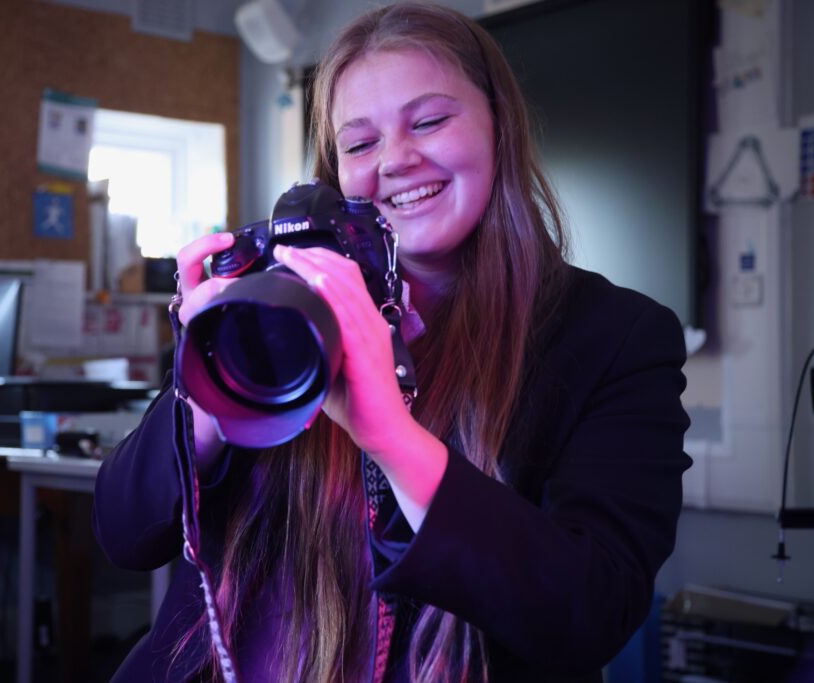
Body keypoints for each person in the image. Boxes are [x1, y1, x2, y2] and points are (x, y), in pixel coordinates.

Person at [93, 3, 691, 681]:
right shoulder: (281, 305)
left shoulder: (615, 336)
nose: (397, 161)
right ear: (335, 172)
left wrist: (391, 434)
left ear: (501, 126)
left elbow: (588, 613)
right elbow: (123, 532)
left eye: (430, 121)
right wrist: (211, 390)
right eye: (359, 143)